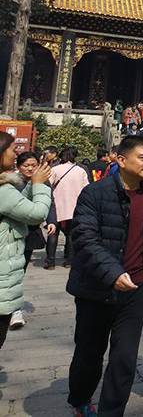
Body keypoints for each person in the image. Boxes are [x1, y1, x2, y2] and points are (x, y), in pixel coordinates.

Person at [66, 134, 143, 417]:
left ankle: (112, 412)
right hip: (97, 288)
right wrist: (112, 274)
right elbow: (84, 238)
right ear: (121, 160)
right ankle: (81, 399)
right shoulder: (95, 193)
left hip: (136, 289)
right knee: (89, 353)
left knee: (125, 358)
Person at [0, 134, 52, 349]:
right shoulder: (3, 191)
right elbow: (37, 213)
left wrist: (32, 184)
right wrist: (40, 185)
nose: (15, 155)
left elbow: (19, 205)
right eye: (12, 150)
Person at [9, 151, 53, 330]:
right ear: (18, 166)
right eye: (26, 165)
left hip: (30, 233)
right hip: (12, 232)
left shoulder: (42, 181)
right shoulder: (10, 182)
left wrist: (52, 221)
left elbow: (50, 202)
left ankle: (15, 309)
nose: (30, 168)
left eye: (33, 165)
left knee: (20, 270)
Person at [45, 146, 90, 270]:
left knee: (53, 233)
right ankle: (69, 260)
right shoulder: (80, 171)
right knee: (70, 234)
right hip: (74, 206)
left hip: (56, 205)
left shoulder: (55, 169)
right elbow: (86, 189)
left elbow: (48, 186)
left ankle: (50, 261)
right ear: (75, 157)